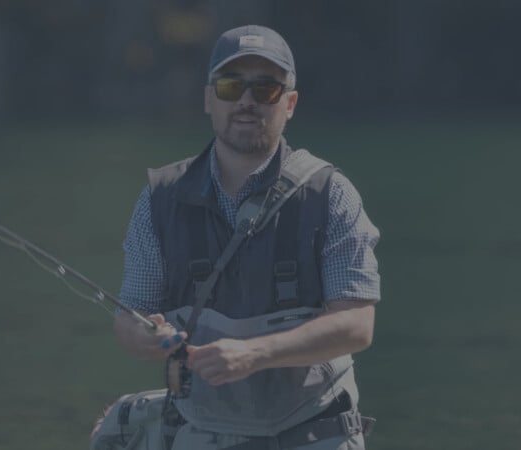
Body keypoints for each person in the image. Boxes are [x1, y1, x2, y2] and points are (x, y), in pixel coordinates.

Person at [113, 25, 380, 450]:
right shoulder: (158, 199)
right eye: (230, 86)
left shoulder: (332, 194)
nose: (246, 101)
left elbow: (357, 325)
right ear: (208, 99)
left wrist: (256, 353)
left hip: (313, 429)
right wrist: (146, 336)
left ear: (289, 104)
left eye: (266, 89)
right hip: (203, 427)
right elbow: (129, 320)